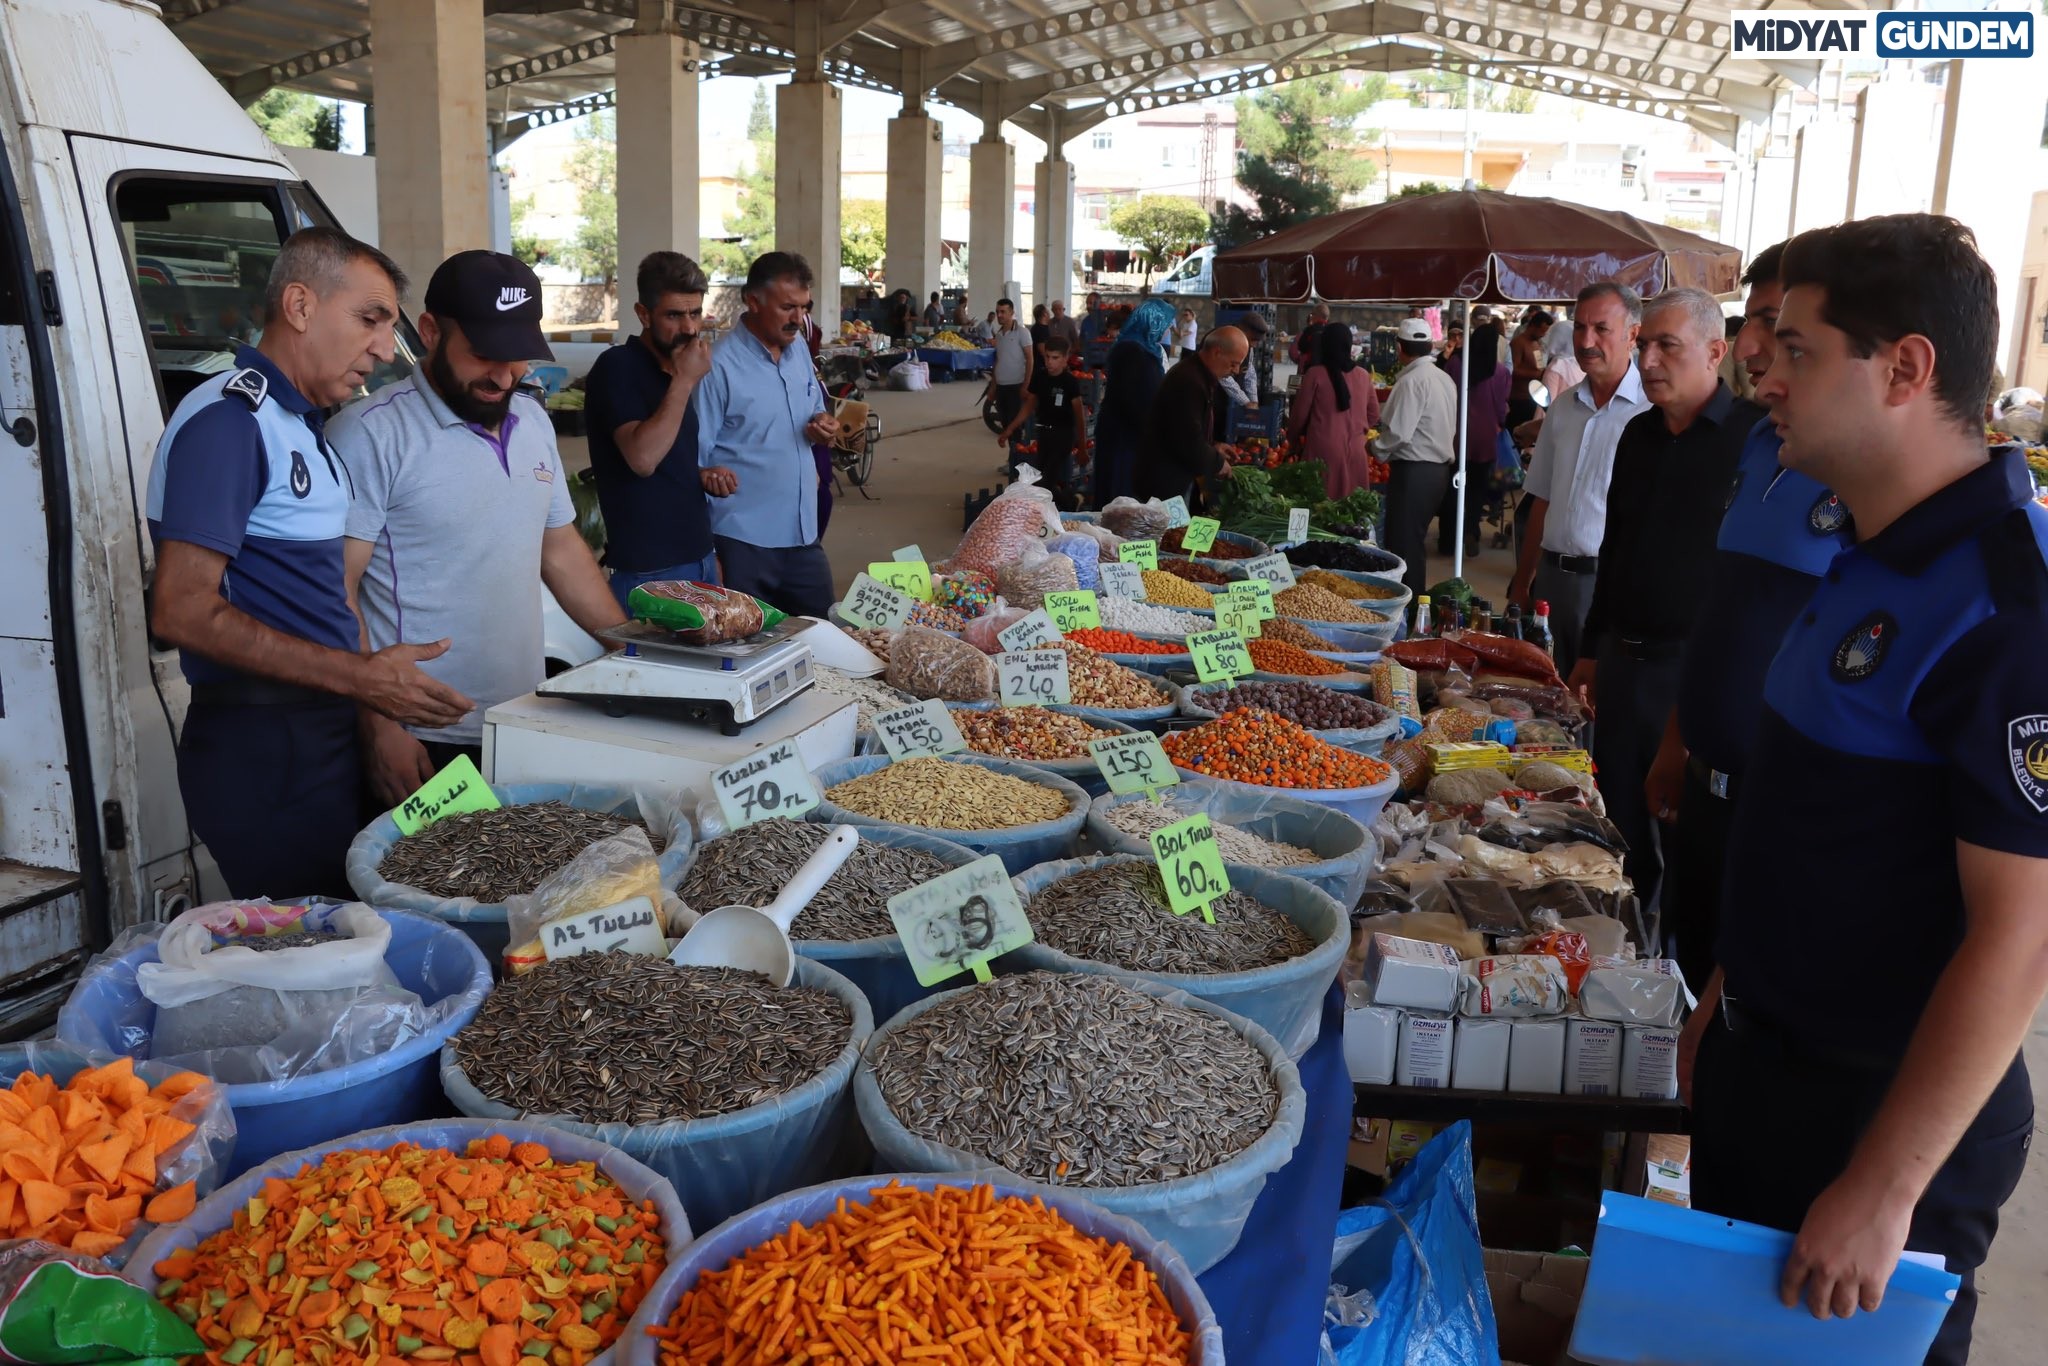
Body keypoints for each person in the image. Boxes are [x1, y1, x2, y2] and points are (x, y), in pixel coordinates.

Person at [1682, 214, 2045, 1366]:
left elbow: (2021, 934)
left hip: (1876, 1119)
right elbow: (1819, 825)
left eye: (1794, 348)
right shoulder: (1865, 543)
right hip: (1768, 1069)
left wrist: (1886, 1187)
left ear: (1903, 368)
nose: (1760, 371)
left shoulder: (2006, 607)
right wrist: (1736, 984)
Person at [145, 227, 470, 896]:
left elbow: (324, 597)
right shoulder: (230, 422)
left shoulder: (301, 425)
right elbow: (181, 607)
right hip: (265, 747)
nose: (385, 348)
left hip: (321, 730)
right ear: (299, 306)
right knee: (322, 952)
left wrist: (373, 708)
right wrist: (362, 678)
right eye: (370, 319)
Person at [334, 250, 623, 799]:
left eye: (518, 356)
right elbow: (336, 588)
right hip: (421, 736)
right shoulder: (370, 435)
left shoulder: (534, 420)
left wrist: (631, 653)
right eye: (485, 353)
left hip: (522, 720)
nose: (504, 374)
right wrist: (378, 723)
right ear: (430, 333)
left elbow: (561, 552)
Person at [1640, 241, 1849, 994]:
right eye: (1756, 321)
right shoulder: (1764, 444)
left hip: (1782, 821)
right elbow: (1720, 617)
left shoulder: (1866, 481)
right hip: (1707, 791)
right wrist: (1679, 741)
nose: (1755, 349)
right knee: (1690, 977)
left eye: (1779, 329)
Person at [1568, 287, 1758, 906]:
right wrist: (1593, 649)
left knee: (1687, 833)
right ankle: (1631, 948)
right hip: (1624, 662)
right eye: (1643, 344)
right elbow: (1614, 548)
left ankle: (1678, 966)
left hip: (1695, 673)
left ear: (1714, 351)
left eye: (1665, 346)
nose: (1647, 360)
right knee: (1620, 817)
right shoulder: (1638, 435)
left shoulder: (1754, 441)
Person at [684, 252, 839, 618]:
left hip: (804, 535)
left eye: (804, 307)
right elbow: (693, 460)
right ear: (753, 302)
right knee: (749, 648)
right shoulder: (718, 366)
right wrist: (710, 555)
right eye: (787, 307)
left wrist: (823, 425)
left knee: (826, 637)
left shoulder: (798, 348)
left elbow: (815, 409)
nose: (798, 318)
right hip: (743, 544)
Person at [1507, 283, 1649, 676]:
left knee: (1598, 700)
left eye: (1601, 328)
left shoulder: (1650, 413)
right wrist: (1523, 581)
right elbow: (1542, 498)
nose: (1586, 341)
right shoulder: (1563, 407)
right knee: (1547, 697)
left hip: (1610, 584)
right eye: (1580, 327)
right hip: (1552, 581)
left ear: (1632, 334)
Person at [582, 251, 731, 612]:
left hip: (700, 558)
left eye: (695, 313)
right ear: (643, 314)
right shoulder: (617, 367)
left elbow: (665, 456)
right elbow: (643, 458)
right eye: (674, 315)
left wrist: (697, 475)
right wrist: (684, 380)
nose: (689, 328)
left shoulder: (675, 369)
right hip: (649, 574)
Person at [1371, 320, 1460, 600]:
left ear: (1399, 348)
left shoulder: (1412, 381)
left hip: (1415, 472)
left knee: (1405, 545)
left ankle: (1409, 609)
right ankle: (1413, 605)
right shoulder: (1442, 377)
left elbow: (1398, 432)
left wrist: (1374, 447)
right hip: (1437, 472)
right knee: (1412, 541)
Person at [1136, 326, 1246, 503]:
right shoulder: (1189, 381)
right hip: (1165, 480)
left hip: (1173, 474)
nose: (1236, 370)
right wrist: (1217, 462)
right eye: (1233, 363)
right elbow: (1187, 438)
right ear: (1217, 353)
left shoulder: (1197, 375)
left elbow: (1190, 426)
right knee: (1169, 530)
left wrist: (1213, 446)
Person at [1436, 312, 1512, 557]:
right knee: (1477, 491)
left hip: (1456, 437)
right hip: (1486, 439)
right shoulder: (1500, 373)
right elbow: (1502, 409)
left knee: (1452, 488)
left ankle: (1448, 540)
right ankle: (1471, 531)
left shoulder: (1456, 364)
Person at [1091, 297, 1176, 505]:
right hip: (1123, 436)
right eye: (1166, 325)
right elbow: (1131, 399)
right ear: (1152, 322)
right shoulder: (1130, 350)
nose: (1168, 331)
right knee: (1121, 493)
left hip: (1136, 434)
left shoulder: (1148, 348)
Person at [1286, 322, 1381, 498]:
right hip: (1356, 451)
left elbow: (1299, 415)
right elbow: (1374, 414)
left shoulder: (1314, 374)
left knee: (1319, 509)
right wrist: (1357, 429)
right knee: (1352, 510)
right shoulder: (1363, 375)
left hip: (1322, 452)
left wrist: (1292, 440)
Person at [996, 334, 1088, 506]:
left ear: (1065, 359)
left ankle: (1069, 503)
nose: (1049, 362)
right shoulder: (1040, 377)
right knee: (1039, 481)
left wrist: (1082, 447)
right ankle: (1072, 501)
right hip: (1044, 434)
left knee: (1045, 483)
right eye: (1047, 357)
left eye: (1055, 358)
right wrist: (1009, 429)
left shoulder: (1070, 382)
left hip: (1064, 435)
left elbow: (1079, 417)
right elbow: (1028, 406)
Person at [990, 297, 1033, 464]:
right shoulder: (999, 335)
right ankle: (1013, 459)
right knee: (1006, 424)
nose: (999, 315)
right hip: (1001, 388)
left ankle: (1019, 463)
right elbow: (998, 362)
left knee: (1015, 427)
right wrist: (993, 388)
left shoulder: (1022, 333)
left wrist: (1026, 385)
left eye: (1003, 312)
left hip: (1017, 387)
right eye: (998, 312)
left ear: (1012, 313)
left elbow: (1030, 359)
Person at [1505, 309, 1552, 431]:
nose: (1543, 334)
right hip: (1520, 398)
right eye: (1541, 330)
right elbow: (1513, 370)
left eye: (1545, 331)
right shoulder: (1518, 343)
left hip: (1533, 396)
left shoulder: (1537, 343)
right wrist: (1536, 374)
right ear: (1532, 326)